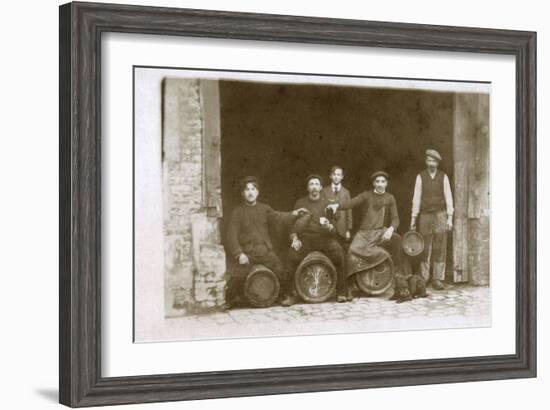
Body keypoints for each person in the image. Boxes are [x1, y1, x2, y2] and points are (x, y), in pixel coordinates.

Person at [225, 176, 308, 308]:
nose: (250, 192)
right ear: (243, 193)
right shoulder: (237, 212)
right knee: (237, 277)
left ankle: (286, 296)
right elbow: (231, 236)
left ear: (258, 192)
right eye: (247, 190)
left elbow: (279, 217)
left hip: (264, 252)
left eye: (253, 189)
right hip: (248, 254)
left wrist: (295, 213)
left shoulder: (264, 208)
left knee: (281, 272)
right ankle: (230, 300)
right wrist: (239, 254)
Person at [327, 171, 410, 294]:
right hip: (364, 233)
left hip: (380, 231)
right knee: (352, 250)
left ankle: (402, 282)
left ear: (386, 183)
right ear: (373, 183)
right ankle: (349, 286)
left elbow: (395, 218)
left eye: (382, 181)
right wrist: (337, 206)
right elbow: (351, 202)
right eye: (377, 181)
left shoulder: (390, 198)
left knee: (397, 240)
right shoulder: (366, 195)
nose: (380, 184)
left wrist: (391, 229)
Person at [287, 174, 348, 305]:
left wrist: (329, 226)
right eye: (311, 184)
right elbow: (292, 224)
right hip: (306, 240)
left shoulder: (328, 204)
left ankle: (342, 292)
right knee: (291, 256)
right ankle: (291, 295)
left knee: (339, 254)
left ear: (320, 187)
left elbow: (334, 228)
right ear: (307, 188)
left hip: (324, 240)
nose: (314, 187)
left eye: (316, 184)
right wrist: (295, 238)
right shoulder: (300, 203)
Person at [410, 149, 454, 290]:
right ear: (426, 161)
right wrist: (413, 218)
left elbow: (449, 197)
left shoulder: (443, 177)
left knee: (439, 246)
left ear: (438, 162)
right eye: (429, 160)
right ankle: (424, 277)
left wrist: (450, 218)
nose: (431, 163)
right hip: (425, 215)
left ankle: (437, 278)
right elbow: (416, 198)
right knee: (425, 246)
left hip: (440, 214)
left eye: (434, 161)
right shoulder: (420, 177)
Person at [321, 165, 353, 247]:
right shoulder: (324, 191)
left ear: (342, 177)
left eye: (338, 175)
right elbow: (321, 209)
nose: (336, 177)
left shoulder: (346, 192)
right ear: (330, 176)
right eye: (334, 174)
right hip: (329, 228)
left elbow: (349, 212)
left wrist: (348, 230)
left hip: (342, 229)